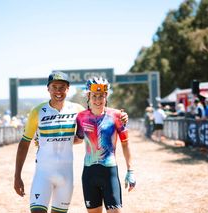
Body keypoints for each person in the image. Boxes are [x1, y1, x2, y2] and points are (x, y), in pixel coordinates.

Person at [13, 71, 129, 213]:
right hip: (43, 174)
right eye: (54, 87)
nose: (58, 91)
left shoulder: (77, 110)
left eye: (62, 87)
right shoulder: (37, 111)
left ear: (68, 89)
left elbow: (99, 113)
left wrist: (122, 116)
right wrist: (17, 176)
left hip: (66, 176)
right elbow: (24, 144)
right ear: (48, 88)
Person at [74, 77, 135, 213]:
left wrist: (130, 171)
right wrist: (52, 140)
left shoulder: (117, 116)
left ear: (106, 96)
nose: (98, 100)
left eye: (101, 96)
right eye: (94, 96)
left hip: (109, 172)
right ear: (88, 96)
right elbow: (78, 139)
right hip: (89, 173)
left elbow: (125, 144)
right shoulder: (81, 117)